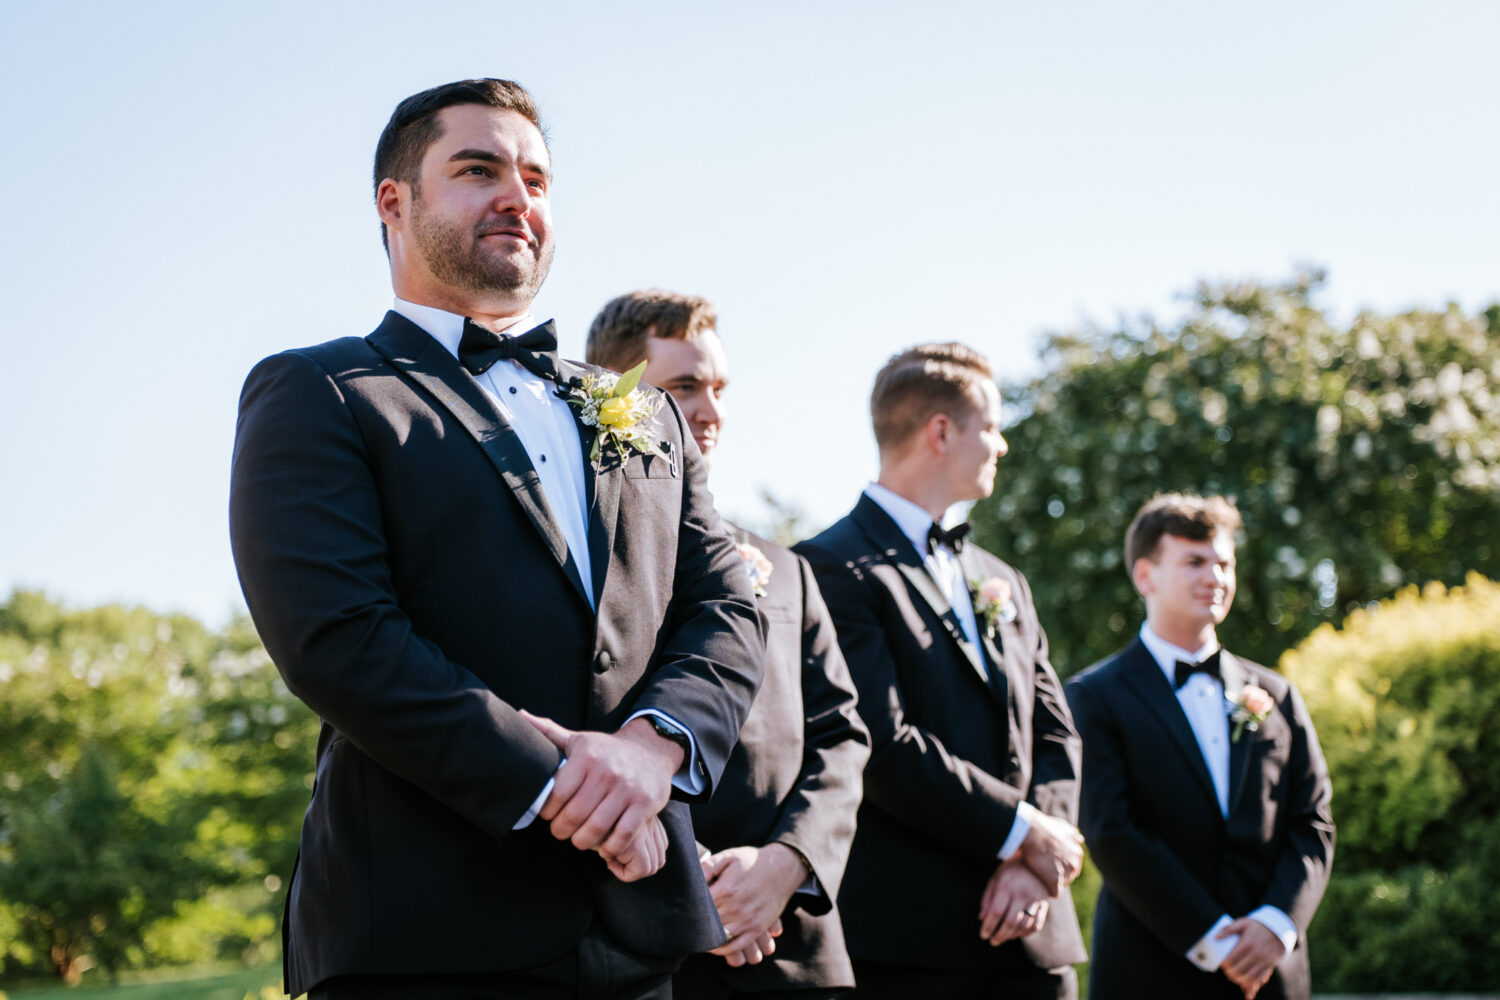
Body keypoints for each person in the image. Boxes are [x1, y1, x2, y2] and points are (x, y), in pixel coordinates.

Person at [228, 79, 766, 1000]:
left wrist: (648, 753)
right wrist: (572, 790)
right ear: (394, 203)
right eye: (478, 170)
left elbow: (726, 604)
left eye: (537, 178)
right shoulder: (320, 393)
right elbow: (341, 639)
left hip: (639, 931)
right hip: (423, 931)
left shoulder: (640, 411)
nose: (519, 196)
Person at [586, 289, 871, 1000]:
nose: (710, 412)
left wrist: (785, 866)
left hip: (794, 946)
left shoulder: (790, 569)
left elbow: (841, 738)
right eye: (685, 386)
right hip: (645, 940)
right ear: (611, 392)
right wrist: (701, 879)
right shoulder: (580, 554)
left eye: (718, 388)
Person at [794, 343, 1088, 999]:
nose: (1002, 445)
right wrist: (1020, 831)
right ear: (941, 431)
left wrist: (1036, 864)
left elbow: (1057, 732)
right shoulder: (830, 568)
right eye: (992, 426)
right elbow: (879, 741)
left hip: (1034, 940)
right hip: (912, 946)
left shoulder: (1003, 579)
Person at [1065, 494, 1335, 1000]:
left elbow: (1312, 821)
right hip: (1150, 967)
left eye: (1224, 563)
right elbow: (1111, 831)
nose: (1216, 576)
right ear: (1145, 576)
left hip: (1271, 972)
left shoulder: (1277, 694)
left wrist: (1276, 924)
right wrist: (1213, 937)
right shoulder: (1093, 697)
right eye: (1195, 562)